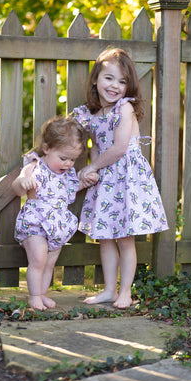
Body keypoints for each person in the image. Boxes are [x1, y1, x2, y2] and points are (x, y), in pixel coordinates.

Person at [72, 48, 169, 309]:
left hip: (125, 179)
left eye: (122, 81)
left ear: (129, 86)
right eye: (109, 78)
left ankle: (125, 291)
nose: (115, 86)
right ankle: (108, 290)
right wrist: (92, 170)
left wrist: (91, 168)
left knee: (125, 238)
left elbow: (119, 148)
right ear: (96, 79)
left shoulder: (124, 109)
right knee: (104, 237)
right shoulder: (92, 114)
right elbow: (95, 146)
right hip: (106, 180)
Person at [12, 115, 99, 311]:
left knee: (50, 263)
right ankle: (34, 295)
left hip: (58, 225)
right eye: (63, 158)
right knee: (38, 259)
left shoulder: (67, 174)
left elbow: (72, 188)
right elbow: (17, 187)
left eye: (73, 160)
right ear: (47, 148)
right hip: (36, 222)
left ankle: (42, 295)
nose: (68, 164)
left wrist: (86, 181)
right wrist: (23, 182)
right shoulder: (34, 166)